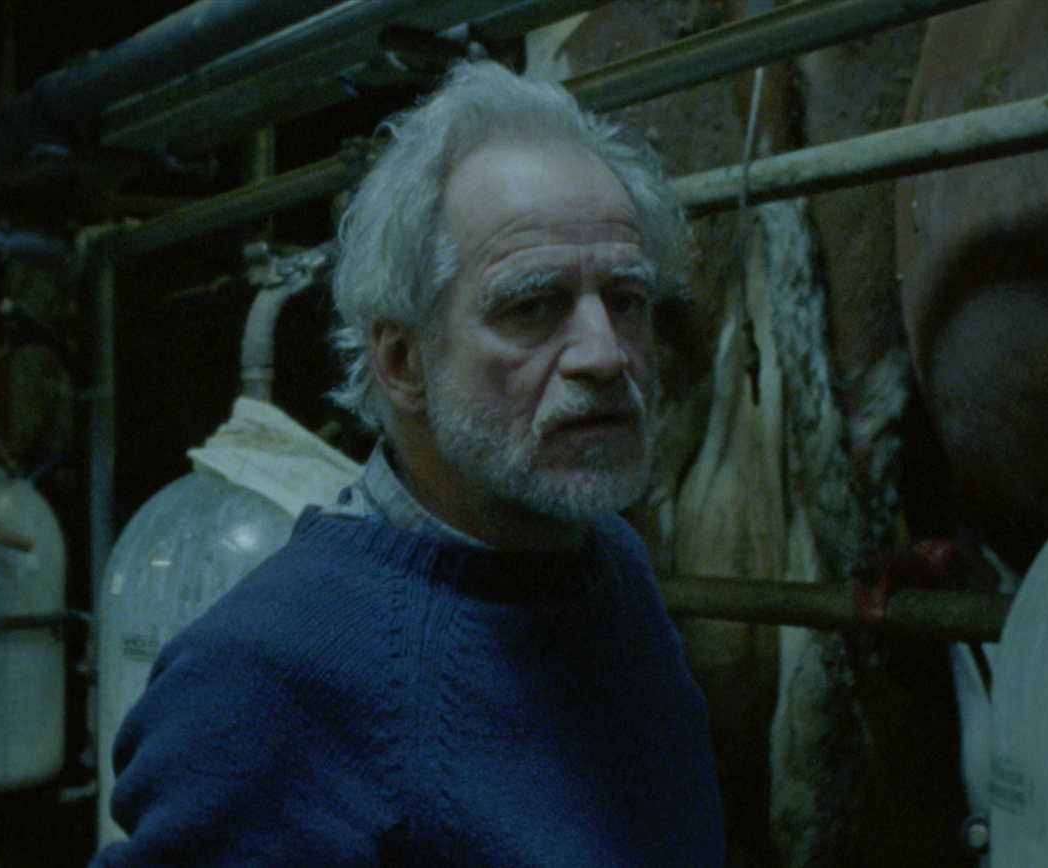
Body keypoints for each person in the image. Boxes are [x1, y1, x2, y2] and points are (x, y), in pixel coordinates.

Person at [92, 60, 725, 867]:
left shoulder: (609, 570)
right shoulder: (265, 677)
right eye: (533, 307)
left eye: (626, 301)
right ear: (402, 361)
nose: (606, 354)